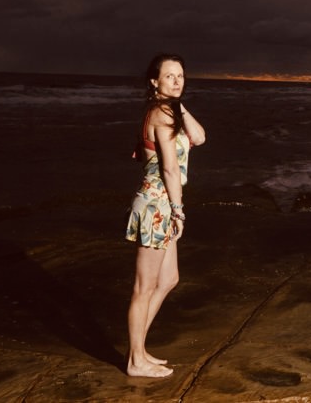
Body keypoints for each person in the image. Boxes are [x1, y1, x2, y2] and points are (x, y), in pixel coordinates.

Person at [125, 53, 205, 378]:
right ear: (154, 81)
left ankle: (139, 349)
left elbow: (199, 137)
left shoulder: (169, 110)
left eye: (180, 76)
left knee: (169, 279)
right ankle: (135, 361)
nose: (176, 81)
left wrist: (179, 104)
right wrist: (178, 211)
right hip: (157, 206)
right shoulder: (161, 113)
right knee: (143, 288)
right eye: (169, 76)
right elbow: (170, 168)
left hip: (163, 204)